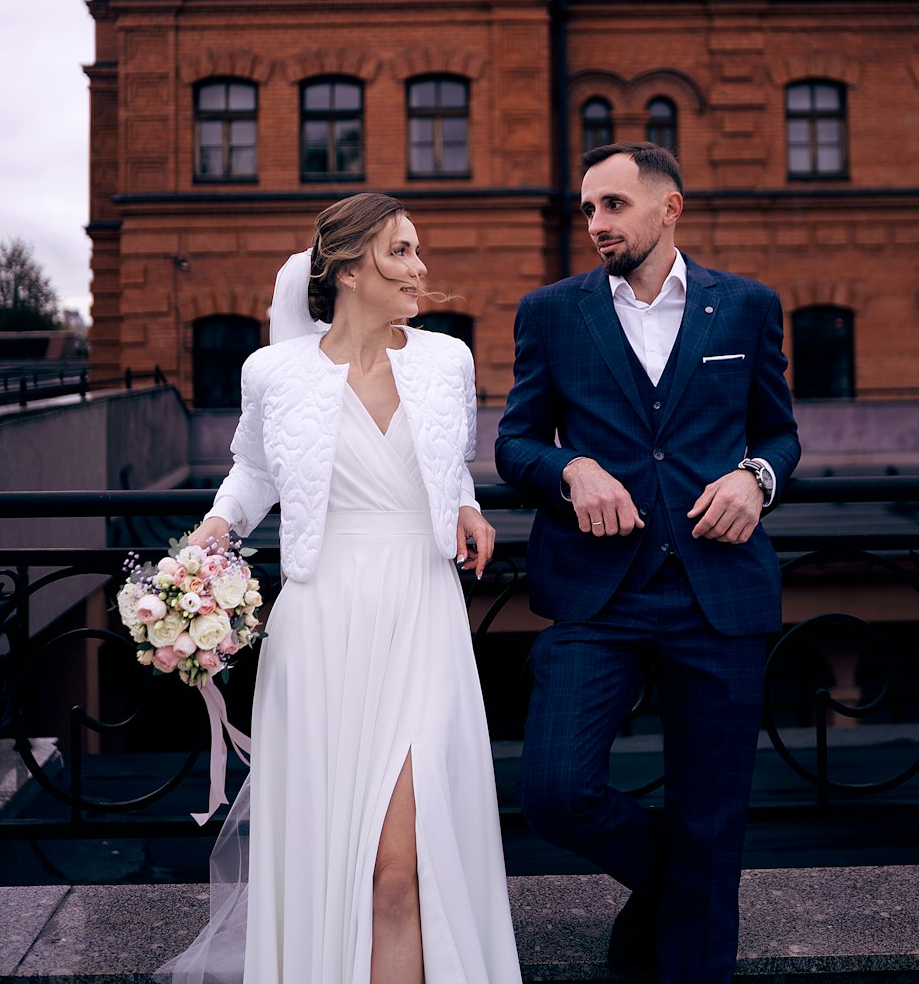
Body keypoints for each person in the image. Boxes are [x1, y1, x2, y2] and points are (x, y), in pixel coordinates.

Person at [161, 193, 522, 984]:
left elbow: (450, 459)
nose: (419, 269)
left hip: (421, 610)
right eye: (400, 252)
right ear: (349, 267)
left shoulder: (446, 359)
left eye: (417, 250)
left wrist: (467, 503)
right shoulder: (273, 371)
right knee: (343, 866)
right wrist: (206, 544)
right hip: (322, 622)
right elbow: (253, 472)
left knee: (400, 872)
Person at [495, 144, 800, 984]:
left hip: (720, 594)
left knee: (713, 817)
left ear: (669, 209)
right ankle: (687, 880)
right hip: (599, 597)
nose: (596, 224)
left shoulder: (744, 307)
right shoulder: (553, 312)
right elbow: (515, 442)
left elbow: (779, 432)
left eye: (615, 206)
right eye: (589, 208)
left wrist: (756, 477)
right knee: (555, 789)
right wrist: (570, 468)